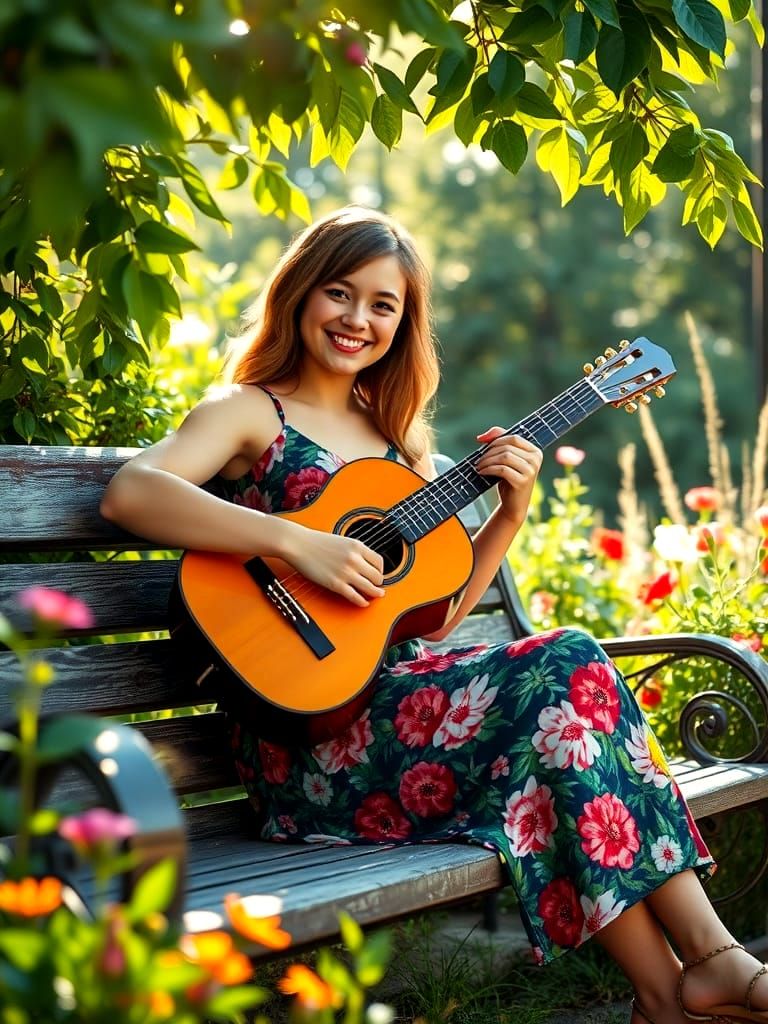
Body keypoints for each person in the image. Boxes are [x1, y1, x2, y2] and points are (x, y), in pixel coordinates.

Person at [100, 206, 767, 1024]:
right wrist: (294, 544)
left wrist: (509, 516)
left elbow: (437, 618)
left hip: (398, 721)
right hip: (303, 749)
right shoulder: (248, 413)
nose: (357, 319)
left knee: (552, 743)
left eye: (384, 305)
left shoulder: (399, 451)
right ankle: (713, 963)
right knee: (563, 666)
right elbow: (133, 491)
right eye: (340, 293)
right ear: (301, 292)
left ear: (404, 324)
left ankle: (670, 994)